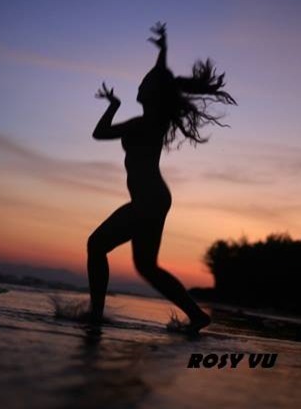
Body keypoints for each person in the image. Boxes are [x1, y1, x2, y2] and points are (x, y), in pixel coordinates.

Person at [88, 22, 236, 332]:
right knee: (146, 267)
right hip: (154, 199)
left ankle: (96, 316)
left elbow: (100, 133)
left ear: (153, 94)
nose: (140, 84)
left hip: (149, 199)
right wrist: (162, 52)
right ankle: (197, 316)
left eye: (145, 82)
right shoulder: (146, 121)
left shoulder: (148, 122)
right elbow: (160, 81)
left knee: (97, 244)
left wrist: (115, 105)